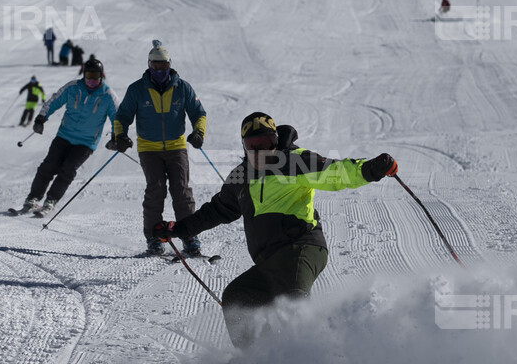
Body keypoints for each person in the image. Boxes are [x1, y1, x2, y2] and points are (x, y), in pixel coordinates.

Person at [152, 111, 398, 350]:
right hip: (269, 260)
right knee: (238, 296)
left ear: (276, 142)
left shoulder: (293, 161)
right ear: (244, 147)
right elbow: (217, 210)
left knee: (294, 300)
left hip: (302, 246)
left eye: (267, 143)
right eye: (253, 145)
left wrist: (369, 169)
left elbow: (335, 173)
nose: (260, 151)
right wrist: (180, 229)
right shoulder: (241, 176)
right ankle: (259, 360)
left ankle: (323, 355)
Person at [108, 40, 207, 256]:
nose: (160, 70)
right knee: (156, 189)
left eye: (163, 66)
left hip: (176, 146)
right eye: (155, 66)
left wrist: (198, 133)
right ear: (149, 65)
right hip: (148, 148)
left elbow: (198, 113)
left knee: (181, 190)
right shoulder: (137, 89)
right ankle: (154, 238)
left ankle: (189, 235)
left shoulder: (183, 87)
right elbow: (122, 116)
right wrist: (120, 136)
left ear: (170, 65)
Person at [13, 57, 118, 216]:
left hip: (86, 142)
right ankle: (33, 198)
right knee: (48, 166)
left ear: (101, 76)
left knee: (68, 169)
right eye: (88, 75)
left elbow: (117, 117)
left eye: (95, 76)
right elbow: (54, 100)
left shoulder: (107, 95)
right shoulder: (73, 87)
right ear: (83, 74)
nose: (91, 80)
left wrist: (117, 137)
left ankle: (51, 201)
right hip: (64, 135)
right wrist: (41, 118)